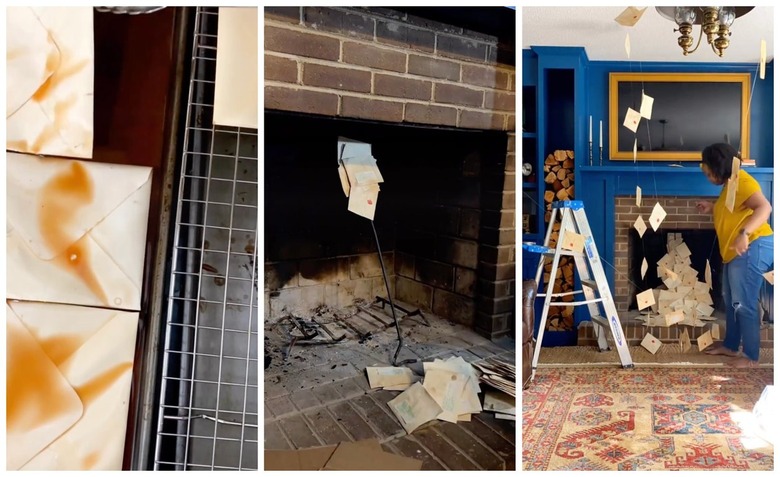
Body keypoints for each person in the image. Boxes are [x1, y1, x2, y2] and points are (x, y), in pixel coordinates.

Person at [695, 143, 773, 368]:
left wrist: (744, 234)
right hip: (733, 252)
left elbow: (764, 208)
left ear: (721, 167)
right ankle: (731, 346)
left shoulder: (744, 181)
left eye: (710, 173)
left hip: (753, 245)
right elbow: (733, 209)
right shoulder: (731, 183)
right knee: (731, 301)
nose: (708, 177)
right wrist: (712, 207)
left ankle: (751, 357)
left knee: (743, 303)